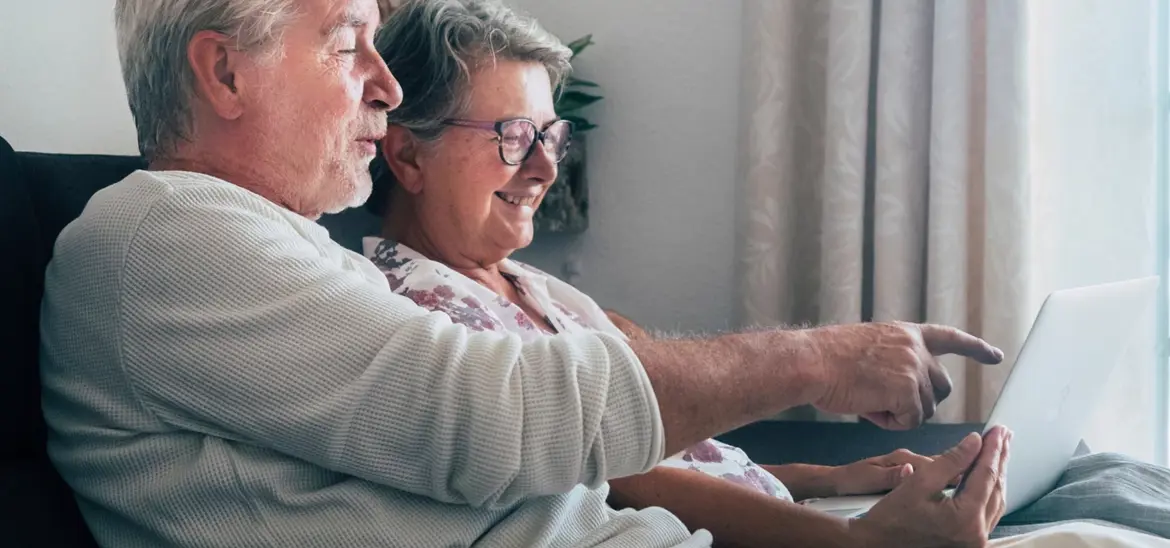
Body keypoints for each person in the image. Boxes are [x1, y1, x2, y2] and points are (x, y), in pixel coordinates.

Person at [39, 0, 1017, 546]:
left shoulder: (288, 254)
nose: (384, 87)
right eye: (348, 46)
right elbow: (496, 419)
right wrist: (825, 362)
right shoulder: (163, 233)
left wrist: (830, 490)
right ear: (224, 75)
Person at [363, 0, 1170, 546]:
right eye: (511, 134)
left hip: (798, 513)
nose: (543, 167)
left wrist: (834, 476)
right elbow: (624, 480)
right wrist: (853, 540)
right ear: (407, 154)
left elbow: (672, 456)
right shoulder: (416, 315)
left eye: (551, 135)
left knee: (1105, 473)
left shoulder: (533, 288)